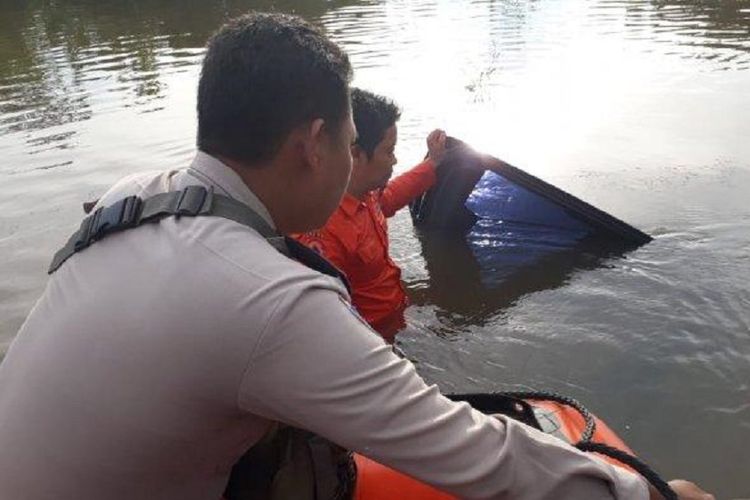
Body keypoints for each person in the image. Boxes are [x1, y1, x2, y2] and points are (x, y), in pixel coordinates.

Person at [0, 12, 711, 500]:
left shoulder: (135, 197)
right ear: (313, 145)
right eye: (347, 143)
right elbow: (470, 452)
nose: (351, 163)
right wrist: (642, 490)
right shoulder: (270, 299)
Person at [295, 89, 445, 341]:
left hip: (395, 322)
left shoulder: (366, 193)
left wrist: (431, 164)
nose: (395, 160)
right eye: (389, 151)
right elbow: (323, 324)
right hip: (371, 342)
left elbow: (387, 200)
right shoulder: (321, 231)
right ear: (355, 153)